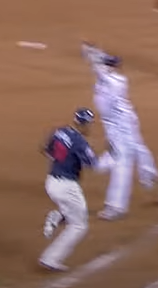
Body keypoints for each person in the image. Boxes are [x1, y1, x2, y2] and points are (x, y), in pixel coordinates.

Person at [80, 41, 158, 220]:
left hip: (122, 126)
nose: (105, 67)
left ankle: (116, 207)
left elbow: (99, 70)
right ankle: (149, 172)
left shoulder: (115, 82)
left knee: (122, 164)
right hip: (118, 125)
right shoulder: (107, 80)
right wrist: (95, 54)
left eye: (108, 65)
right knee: (125, 153)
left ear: (111, 68)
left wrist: (92, 55)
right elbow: (99, 69)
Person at [39, 107, 113, 272]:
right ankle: (50, 259)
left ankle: (57, 216)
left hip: (51, 181)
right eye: (89, 124)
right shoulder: (80, 143)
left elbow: (45, 150)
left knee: (76, 212)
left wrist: (62, 162)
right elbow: (96, 166)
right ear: (82, 124)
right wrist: (111, 157)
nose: (90, 127)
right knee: (79, 225)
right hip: (67, 187)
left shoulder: (60, 131)